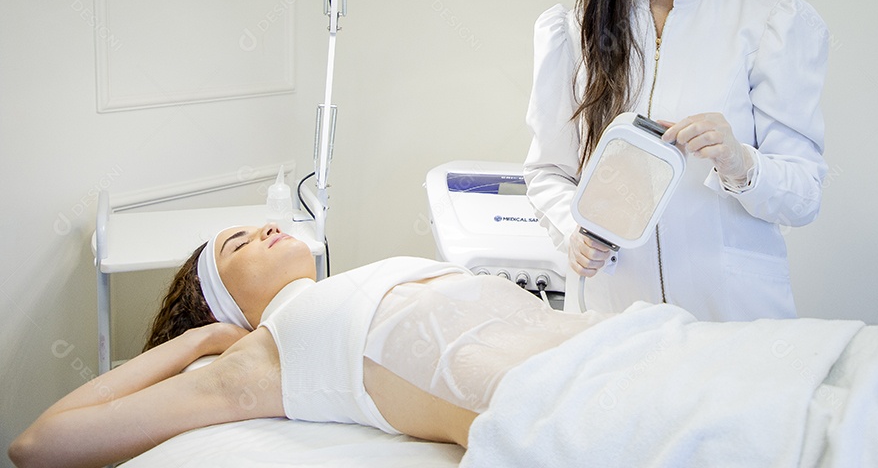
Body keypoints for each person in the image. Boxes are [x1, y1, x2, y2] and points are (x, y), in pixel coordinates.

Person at [524, 0, 829, 321]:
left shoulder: (770, 26)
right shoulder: (576, 30)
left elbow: (804, 196)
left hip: (734, 320)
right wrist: (575, 230)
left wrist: (740, 163)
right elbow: (548, 172)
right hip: (616, 316)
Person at [8, 224, 605, 468]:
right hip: (575, 410)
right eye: (235, 245)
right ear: (228, 307)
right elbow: (37, 446)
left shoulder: (356, 287)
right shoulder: (263, 356)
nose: (266, 228)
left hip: (617, 343)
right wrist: (202, 340)